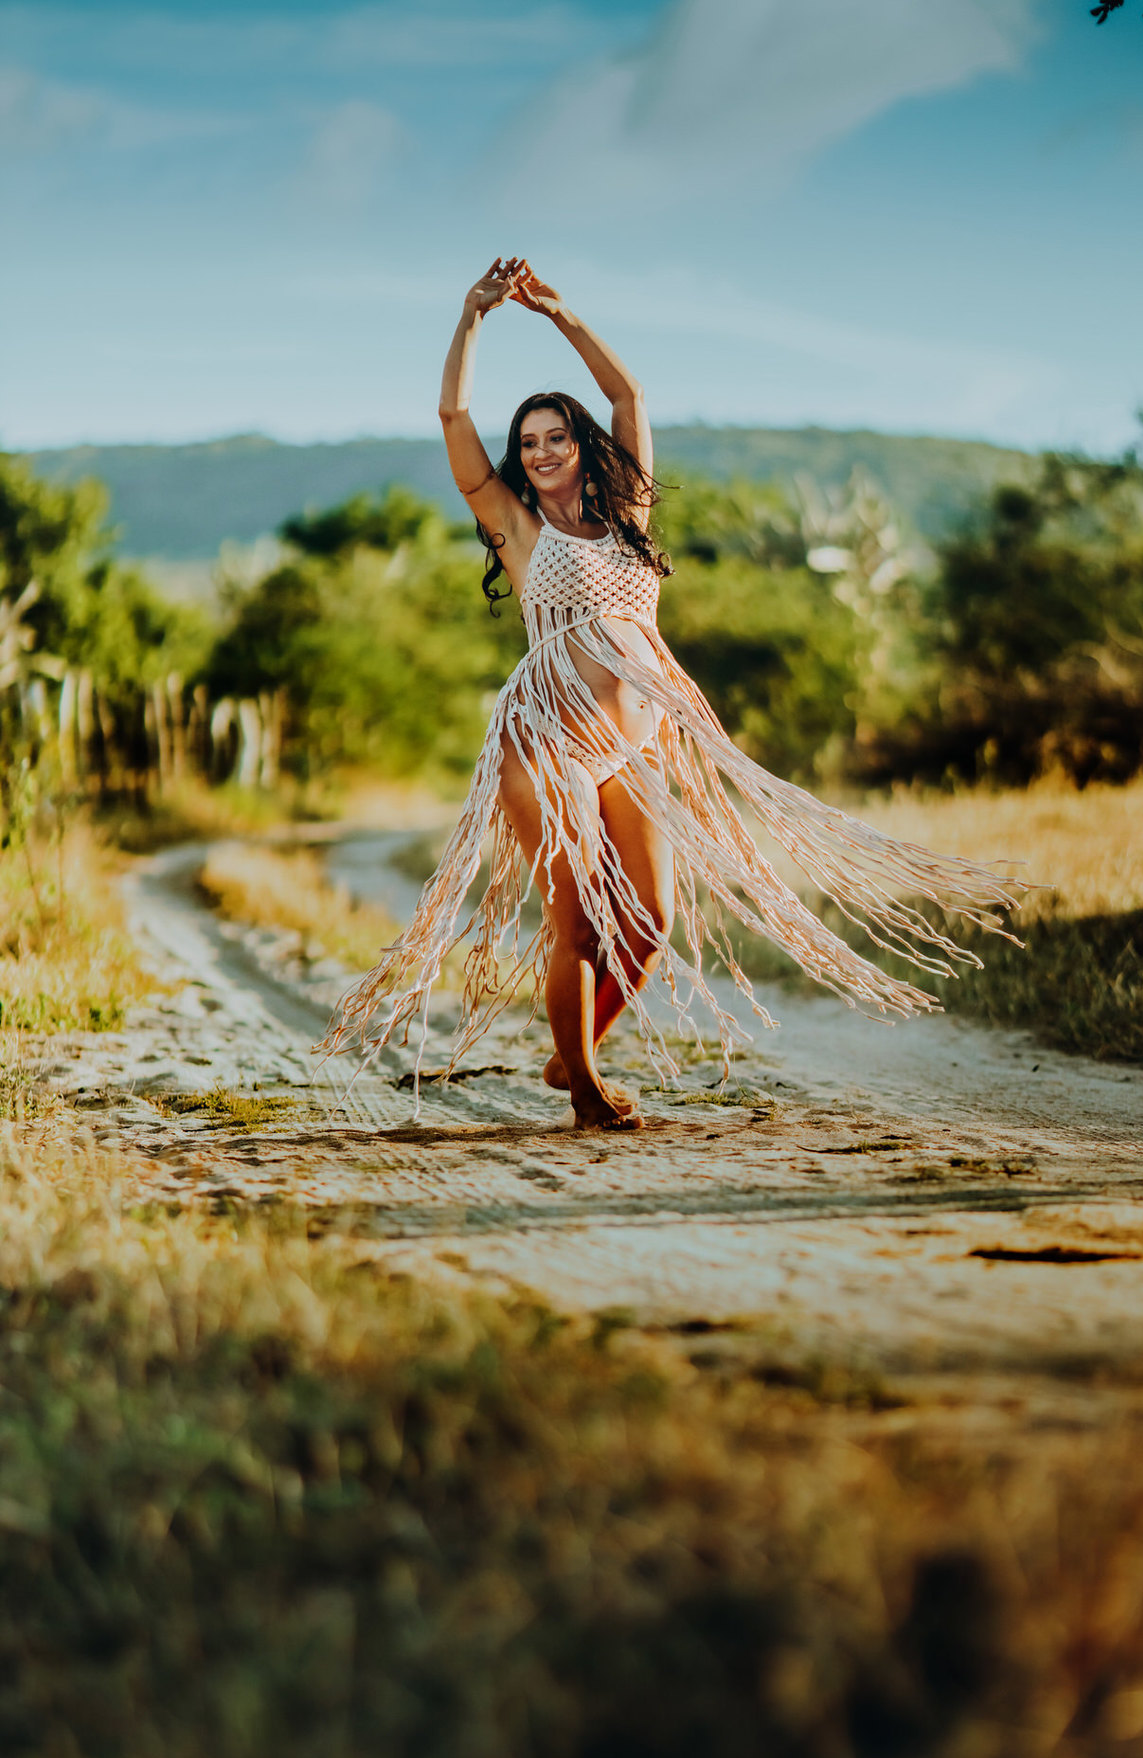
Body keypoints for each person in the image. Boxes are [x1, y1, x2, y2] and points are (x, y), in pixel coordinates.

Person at [318, 257, 1022, 1128]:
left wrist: (561, 315)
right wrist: (473, 315)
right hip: (547, 740)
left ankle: (573, 1053)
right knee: (576, 920)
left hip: (639, 748)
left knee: (650, 919)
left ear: (581, 447)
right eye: (528, 443)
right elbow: (452, 415)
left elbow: (631, 397)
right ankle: (584, 1094)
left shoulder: (630, 524)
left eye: (555, 439)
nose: (539, 453)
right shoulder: (516, 528)